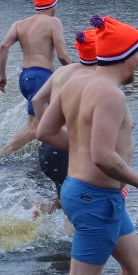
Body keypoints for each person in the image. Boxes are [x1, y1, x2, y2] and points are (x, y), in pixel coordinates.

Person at [36, 14, 138, 275]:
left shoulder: (75, 82)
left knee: (136, 261)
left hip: (83, 191)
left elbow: (45, 132)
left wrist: (79, 146)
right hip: (96, 197)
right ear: (128, 56)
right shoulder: (110, 93)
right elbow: (103, 156)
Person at [0, 0, 71, 154]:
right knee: (34, 128)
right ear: (53, 4)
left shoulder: (20, 24)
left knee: (57, 115)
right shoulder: (54, 22)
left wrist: (2, 75)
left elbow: (4, 46)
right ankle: (0, 155)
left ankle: (55, 151)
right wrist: (80, 71)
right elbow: (62, 56)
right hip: (41, 77)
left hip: (26, 77)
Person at [30, 29, 97, 202]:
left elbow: (37, 100)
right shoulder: (97, 79)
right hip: (69, 150)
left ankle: (40, 211)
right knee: (80, 202)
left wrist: (51, 131)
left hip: (48, 148)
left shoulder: (62, 71)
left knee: (67, 195)